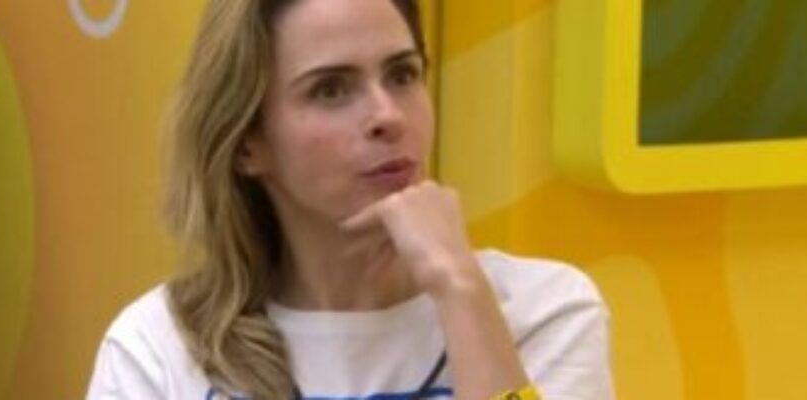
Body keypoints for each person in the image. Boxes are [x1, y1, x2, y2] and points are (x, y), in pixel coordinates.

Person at [86, 0, 613, 399]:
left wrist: (459, 289)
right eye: (331, 89)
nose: (388, 115)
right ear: (247, 143)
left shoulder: (545, 311)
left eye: (402, 74)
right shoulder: (160, 346)